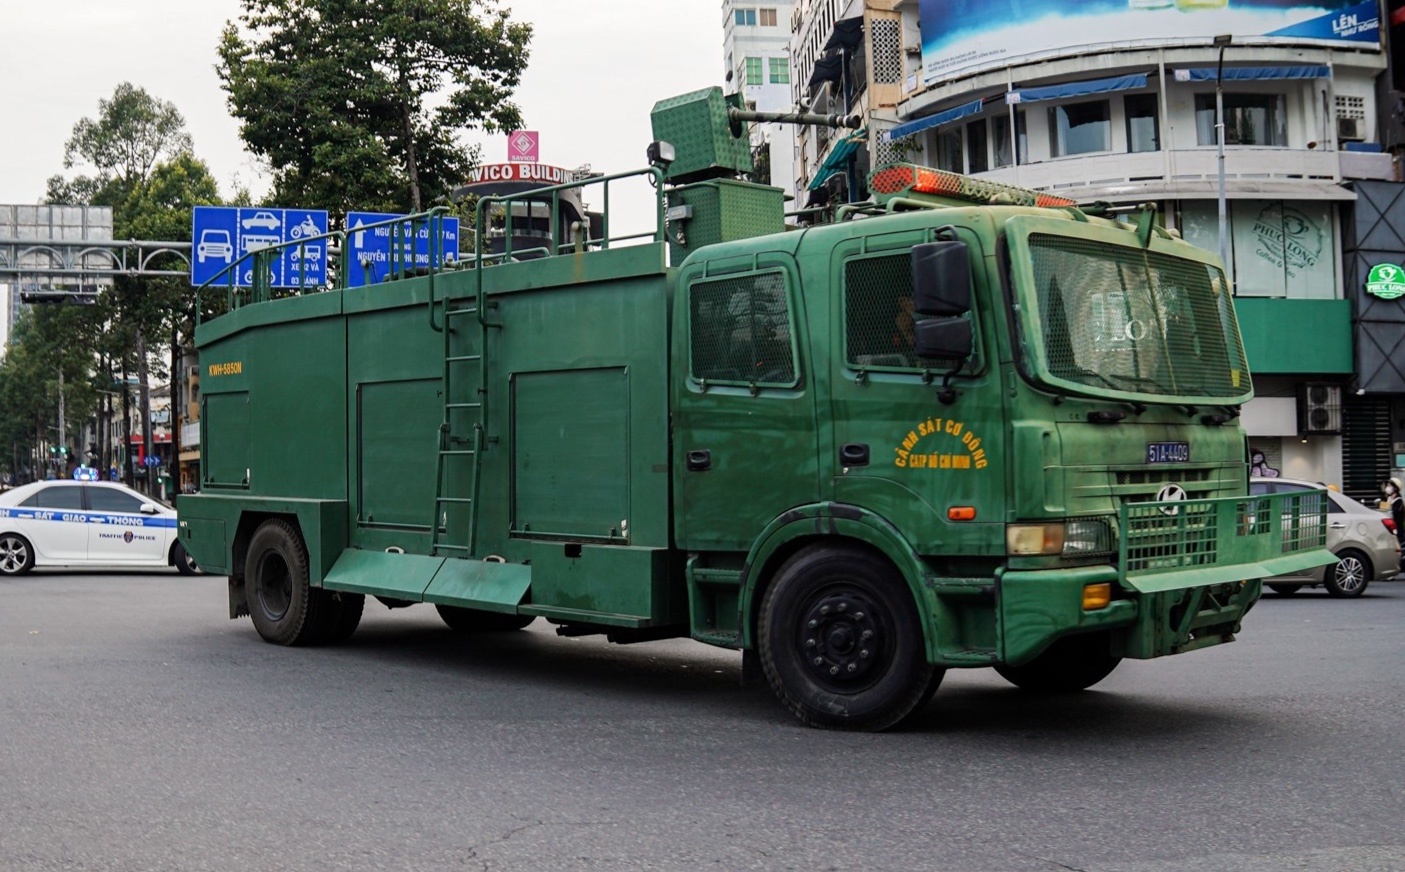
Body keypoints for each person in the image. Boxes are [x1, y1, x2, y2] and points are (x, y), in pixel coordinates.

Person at [1383, 478, 1405, 549]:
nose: (1387, 488)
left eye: (1389, 486)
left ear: (1395, 488)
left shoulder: (1399, 501)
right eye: (1387, 486)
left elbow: (1393, 513)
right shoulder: (1388, 499)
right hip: (1389, 529)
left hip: (1397, 530)